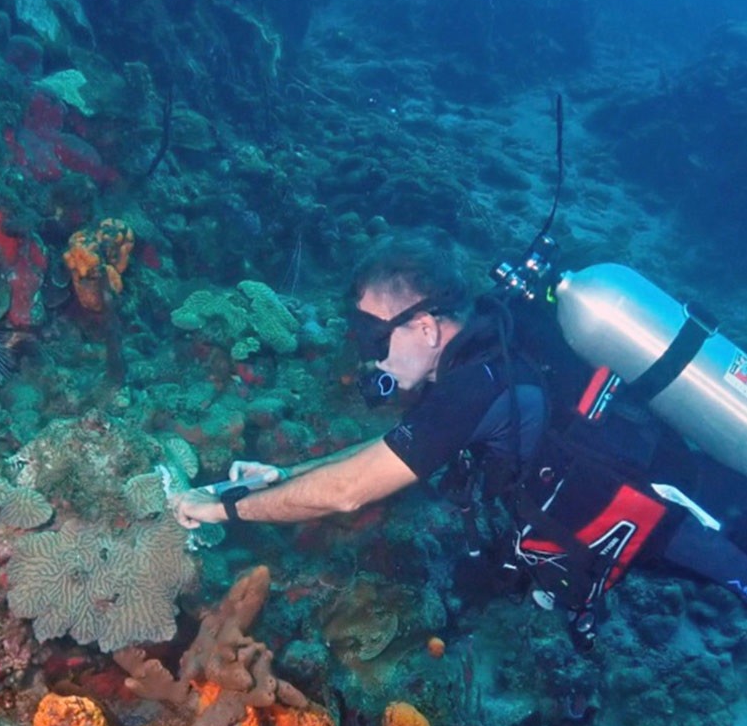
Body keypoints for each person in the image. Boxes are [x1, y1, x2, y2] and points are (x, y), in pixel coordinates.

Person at [169, 229, 747, 649]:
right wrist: (285, 478)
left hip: (704, 511)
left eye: (374, 336)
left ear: (425, 326)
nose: (369, 355)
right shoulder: (492, 343)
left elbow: (348, 491)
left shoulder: (476, 387)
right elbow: (387, 451)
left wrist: (219, 507)